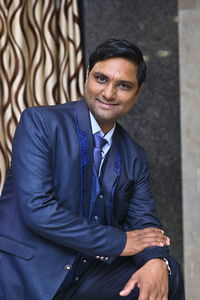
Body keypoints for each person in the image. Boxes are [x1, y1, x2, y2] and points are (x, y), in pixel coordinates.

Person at [0, 39, 184, 300]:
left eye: (123, 85)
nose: (109, 94)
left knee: (168, 273)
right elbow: (37, 209)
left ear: (138, 92)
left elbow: (143, 220)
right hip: (29, 269)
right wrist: (119, 242)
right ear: (87, 76)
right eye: (101, 79)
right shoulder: (40, 123)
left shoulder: (135, 156)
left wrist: (156, 262)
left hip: (86, 274)